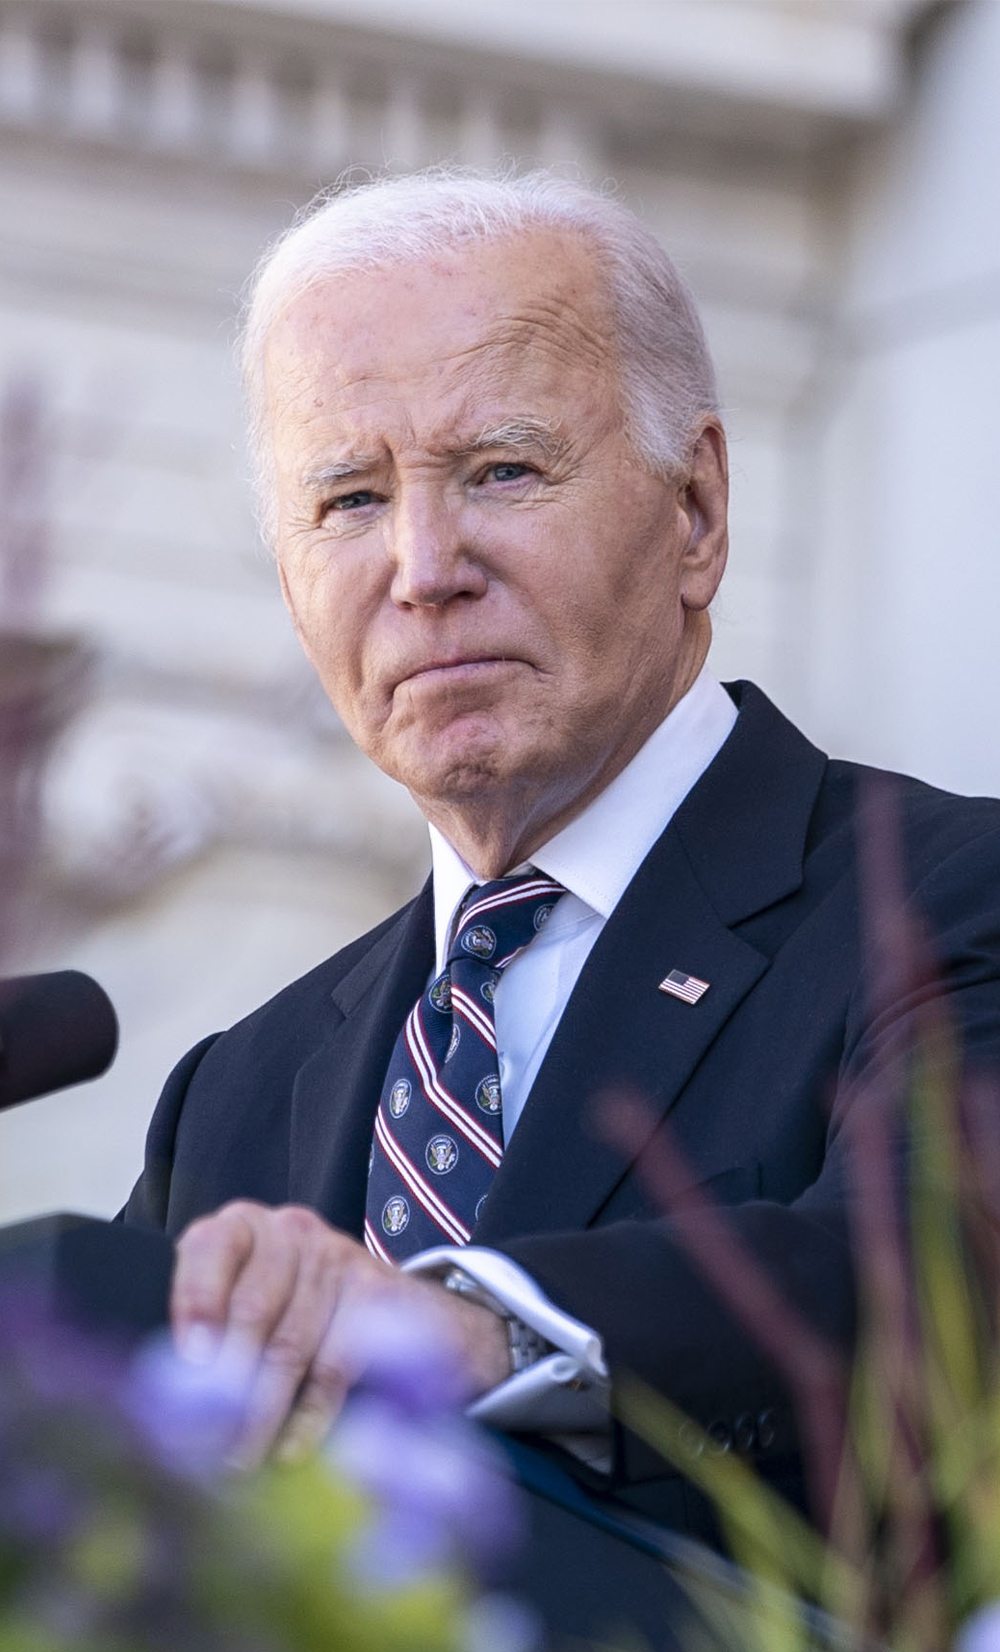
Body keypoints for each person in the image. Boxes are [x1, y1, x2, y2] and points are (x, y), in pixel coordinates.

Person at [124, 169, 1000, 1530]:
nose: (423, 565)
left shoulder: (939, 898)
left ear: (694, 510)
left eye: (503, 471)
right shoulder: (236, 1090)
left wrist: (471, 1331)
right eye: (350, 500)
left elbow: (934, 1275)